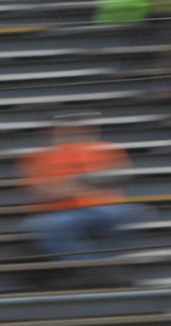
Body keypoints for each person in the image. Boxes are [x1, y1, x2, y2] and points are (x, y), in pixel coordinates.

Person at [18, 114, 152, 269]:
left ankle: (107, 263)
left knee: (133, 213)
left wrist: (67, 185)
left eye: (76, 129)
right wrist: (85, 184)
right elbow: (37, 192)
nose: (70, 133)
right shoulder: (36, 156)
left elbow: (118, 178)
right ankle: (94, 267)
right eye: (63, 129)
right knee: (42, 225)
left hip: (103, 208)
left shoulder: (105, 149)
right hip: (59, 213)